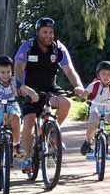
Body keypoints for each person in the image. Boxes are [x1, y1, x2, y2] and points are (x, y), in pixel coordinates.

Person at [14, 17, 86, 173]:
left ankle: (52, 133)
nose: (48, 35)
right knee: (30, 119)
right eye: (45, 32)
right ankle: (27, 158)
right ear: (38, 32)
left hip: (50, 89)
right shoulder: (27, 46)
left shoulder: (58, 48)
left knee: (66, 103)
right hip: (30, 90)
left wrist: (78, 86)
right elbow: (18, 67)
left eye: (51, 32)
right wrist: (21, 86)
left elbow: (69, 70)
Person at [0, 56, 38, 180]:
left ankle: (15, 144)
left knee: (15, 117)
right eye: (2, 72)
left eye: (8, 72)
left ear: (12, 71)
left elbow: (24, 88)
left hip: (10, 106)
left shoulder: (14, 81)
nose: (5, 75)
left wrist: (32, 94)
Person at [78, 61, 110, 156]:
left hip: (109, 110)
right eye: (103, 73)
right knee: (92, 126)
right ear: (98, 75)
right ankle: (88, 141)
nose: (106, 76)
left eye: (109, 74)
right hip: (95, 109)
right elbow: (84, 94)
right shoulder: (94, 85)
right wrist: (80, 97)